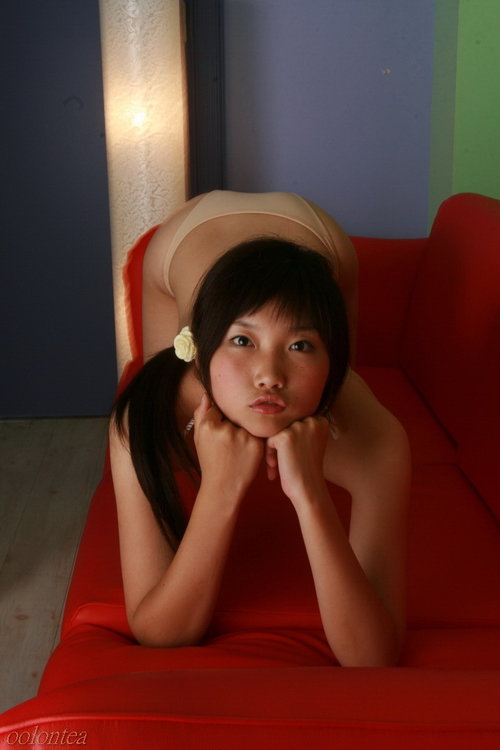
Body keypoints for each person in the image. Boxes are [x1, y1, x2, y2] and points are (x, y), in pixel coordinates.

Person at [110, 190, 411, 667]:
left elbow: (372, 656)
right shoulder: (148, 416)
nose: (269, 375)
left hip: (317, 229)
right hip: (189, 235)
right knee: (171, 361)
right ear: (203, 347)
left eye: (300, 346)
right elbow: (158, 632)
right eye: (242, 340)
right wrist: (220, 489)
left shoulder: (377, 438)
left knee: (317, 337)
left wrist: (311, 494)